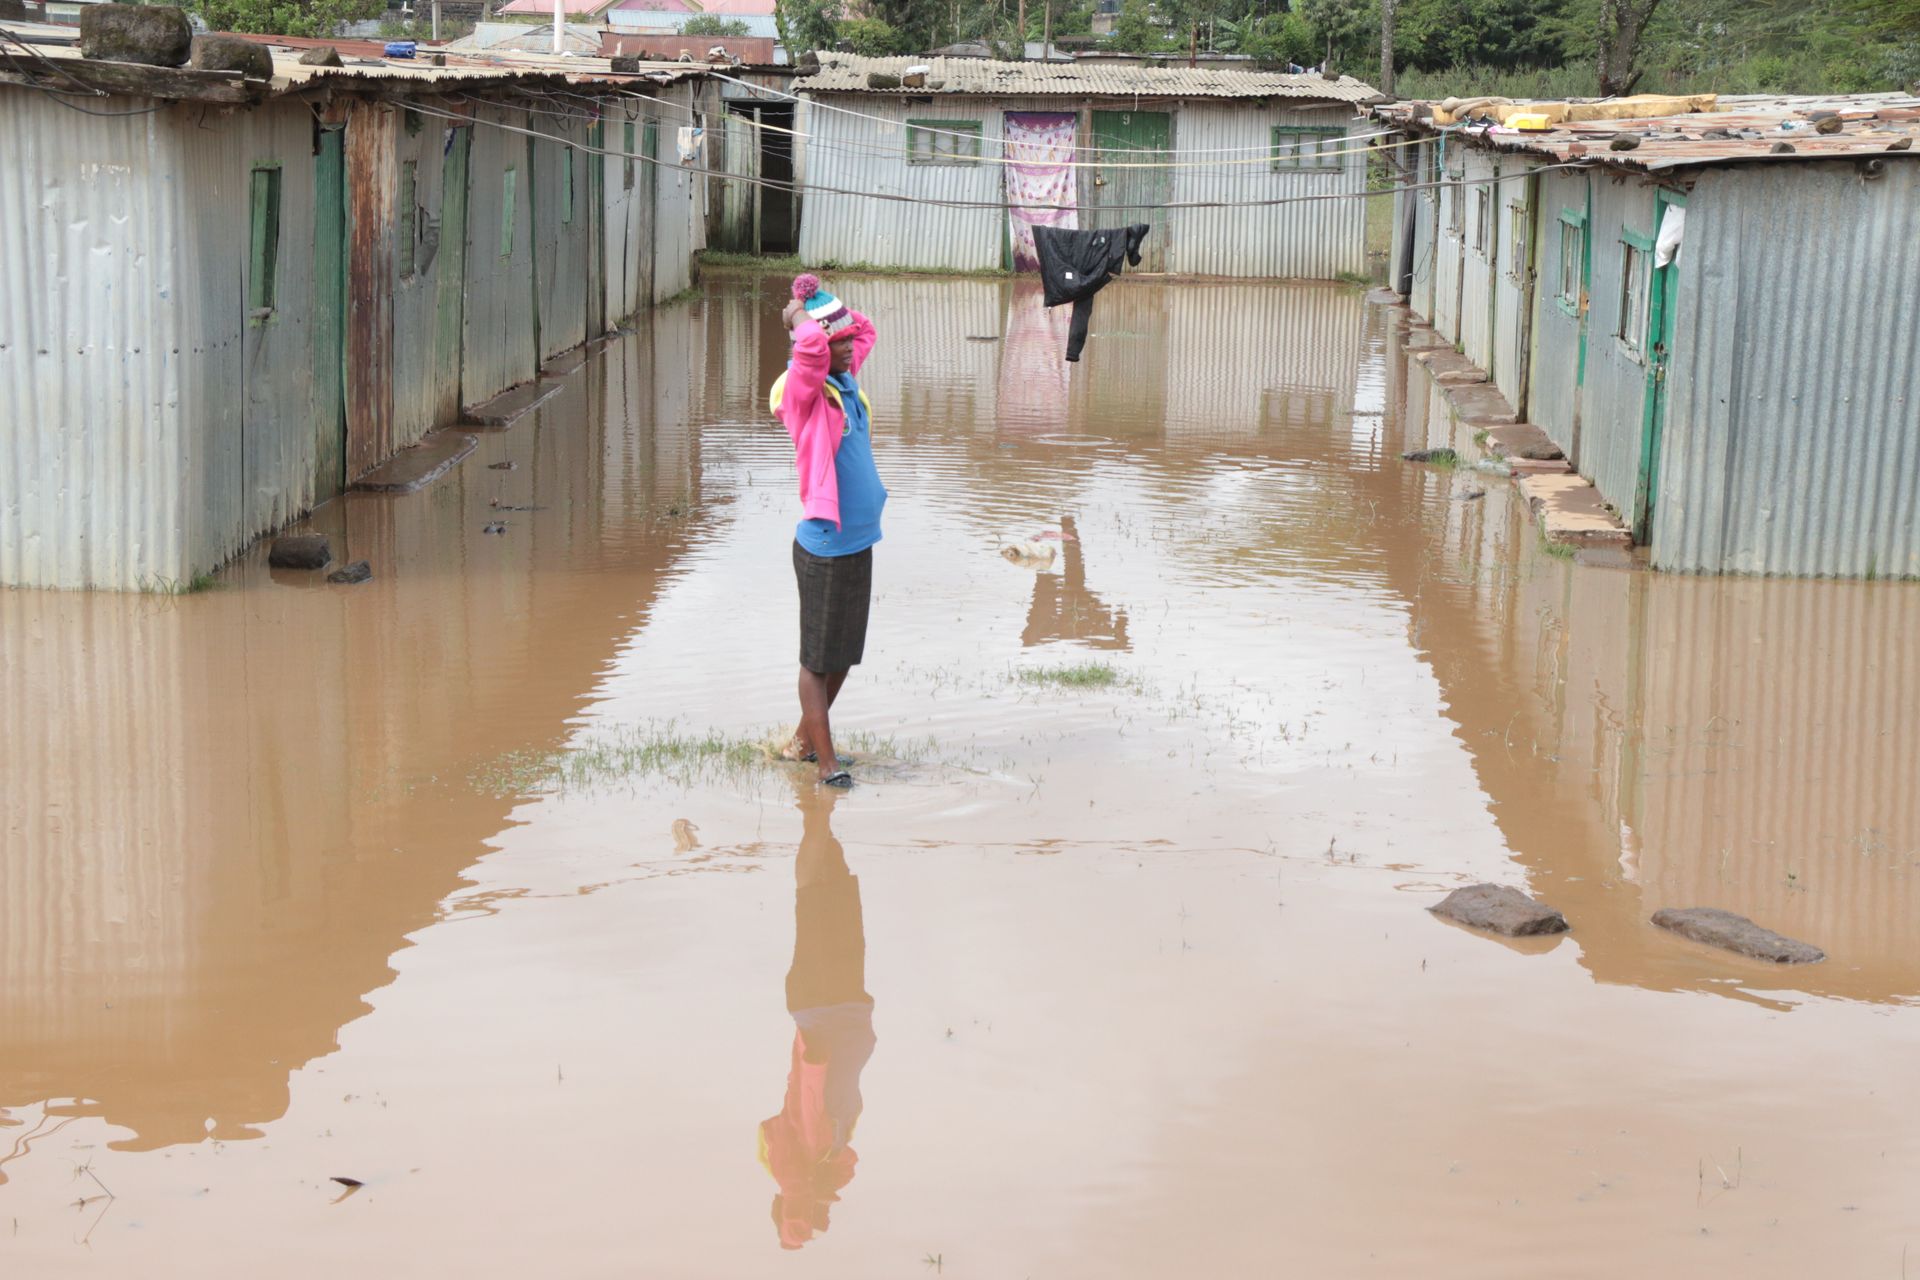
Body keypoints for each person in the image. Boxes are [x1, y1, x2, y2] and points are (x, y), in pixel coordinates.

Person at [769, 275, 884, 788]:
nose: (843, 347)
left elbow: (865, 330)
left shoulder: (845, 380)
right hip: (823, 547)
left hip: (858, 541)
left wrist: (822, 302)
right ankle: (827, 762)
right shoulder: (805, 392)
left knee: (843, 655)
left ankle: (800, 743)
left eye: (841, 341)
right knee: (817, 661)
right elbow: (815, 348)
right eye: (831, 341)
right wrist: (797, 315)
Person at [756, 779, 876, 1249]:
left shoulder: (785, 1161)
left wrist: (797, 1201)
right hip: (846, 1008)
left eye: (793, 1211)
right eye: (807, 1215)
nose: (806, 1209)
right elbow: (850, 1164)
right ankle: (816, 810)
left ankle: (819, 807)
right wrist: (822, 1196)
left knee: (813, 897)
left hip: (819, 1017)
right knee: (841, 894)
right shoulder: (832, 1158)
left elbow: (800, 1106)